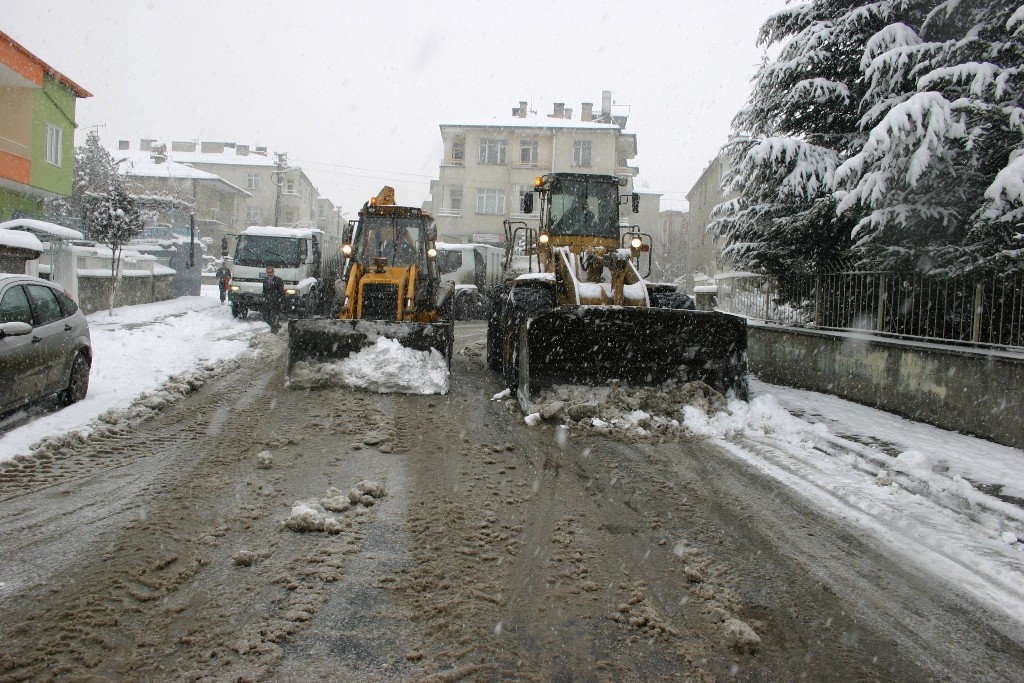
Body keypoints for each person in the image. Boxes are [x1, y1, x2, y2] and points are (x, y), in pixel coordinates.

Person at [262, 266, 285, 332]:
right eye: (268, 272)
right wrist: (264, 298)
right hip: (267, 301)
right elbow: (264, 291)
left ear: (273, 272)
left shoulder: (278, 280)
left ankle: (274, 329)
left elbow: (282, 292)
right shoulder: (265, 280)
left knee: (274, 316)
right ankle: (276, 326)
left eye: (271, 272)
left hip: (276, 300)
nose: (269, 274)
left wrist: (282, 301)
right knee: (266, 317)